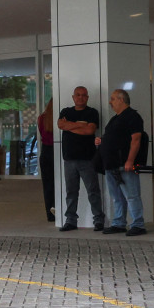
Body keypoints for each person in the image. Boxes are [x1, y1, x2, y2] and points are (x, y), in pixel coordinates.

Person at [96, 89, 146, 236]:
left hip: (124, 164)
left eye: (113, 99)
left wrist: (130, 160)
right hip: (111, 164)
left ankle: (138, 224)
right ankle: (119, 223)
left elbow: (136, 140)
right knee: (116, 196)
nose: (110, 102)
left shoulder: (133, 117)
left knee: (131, 195)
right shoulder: (114, 119)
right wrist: (102, 141)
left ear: (121, 100)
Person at [56, 86, 105, 232]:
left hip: (88, 159)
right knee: (71, 191)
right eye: (78, 95)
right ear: (73, 97)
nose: (80, 97)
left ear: (87, 97)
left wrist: (70, 126)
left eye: (84, 95)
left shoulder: (92, 112)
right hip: (69, 159)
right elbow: (60, 124)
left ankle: (98, 220)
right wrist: (80, 125)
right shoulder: (66, 111)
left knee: (93, 190)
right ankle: (70, 221)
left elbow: (90, 130)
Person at [37, 100, 55, 221]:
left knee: (48, 185)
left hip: (45, 152)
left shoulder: (42, 118)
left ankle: (50, 214)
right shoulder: (61, 119)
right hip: (57, 150)